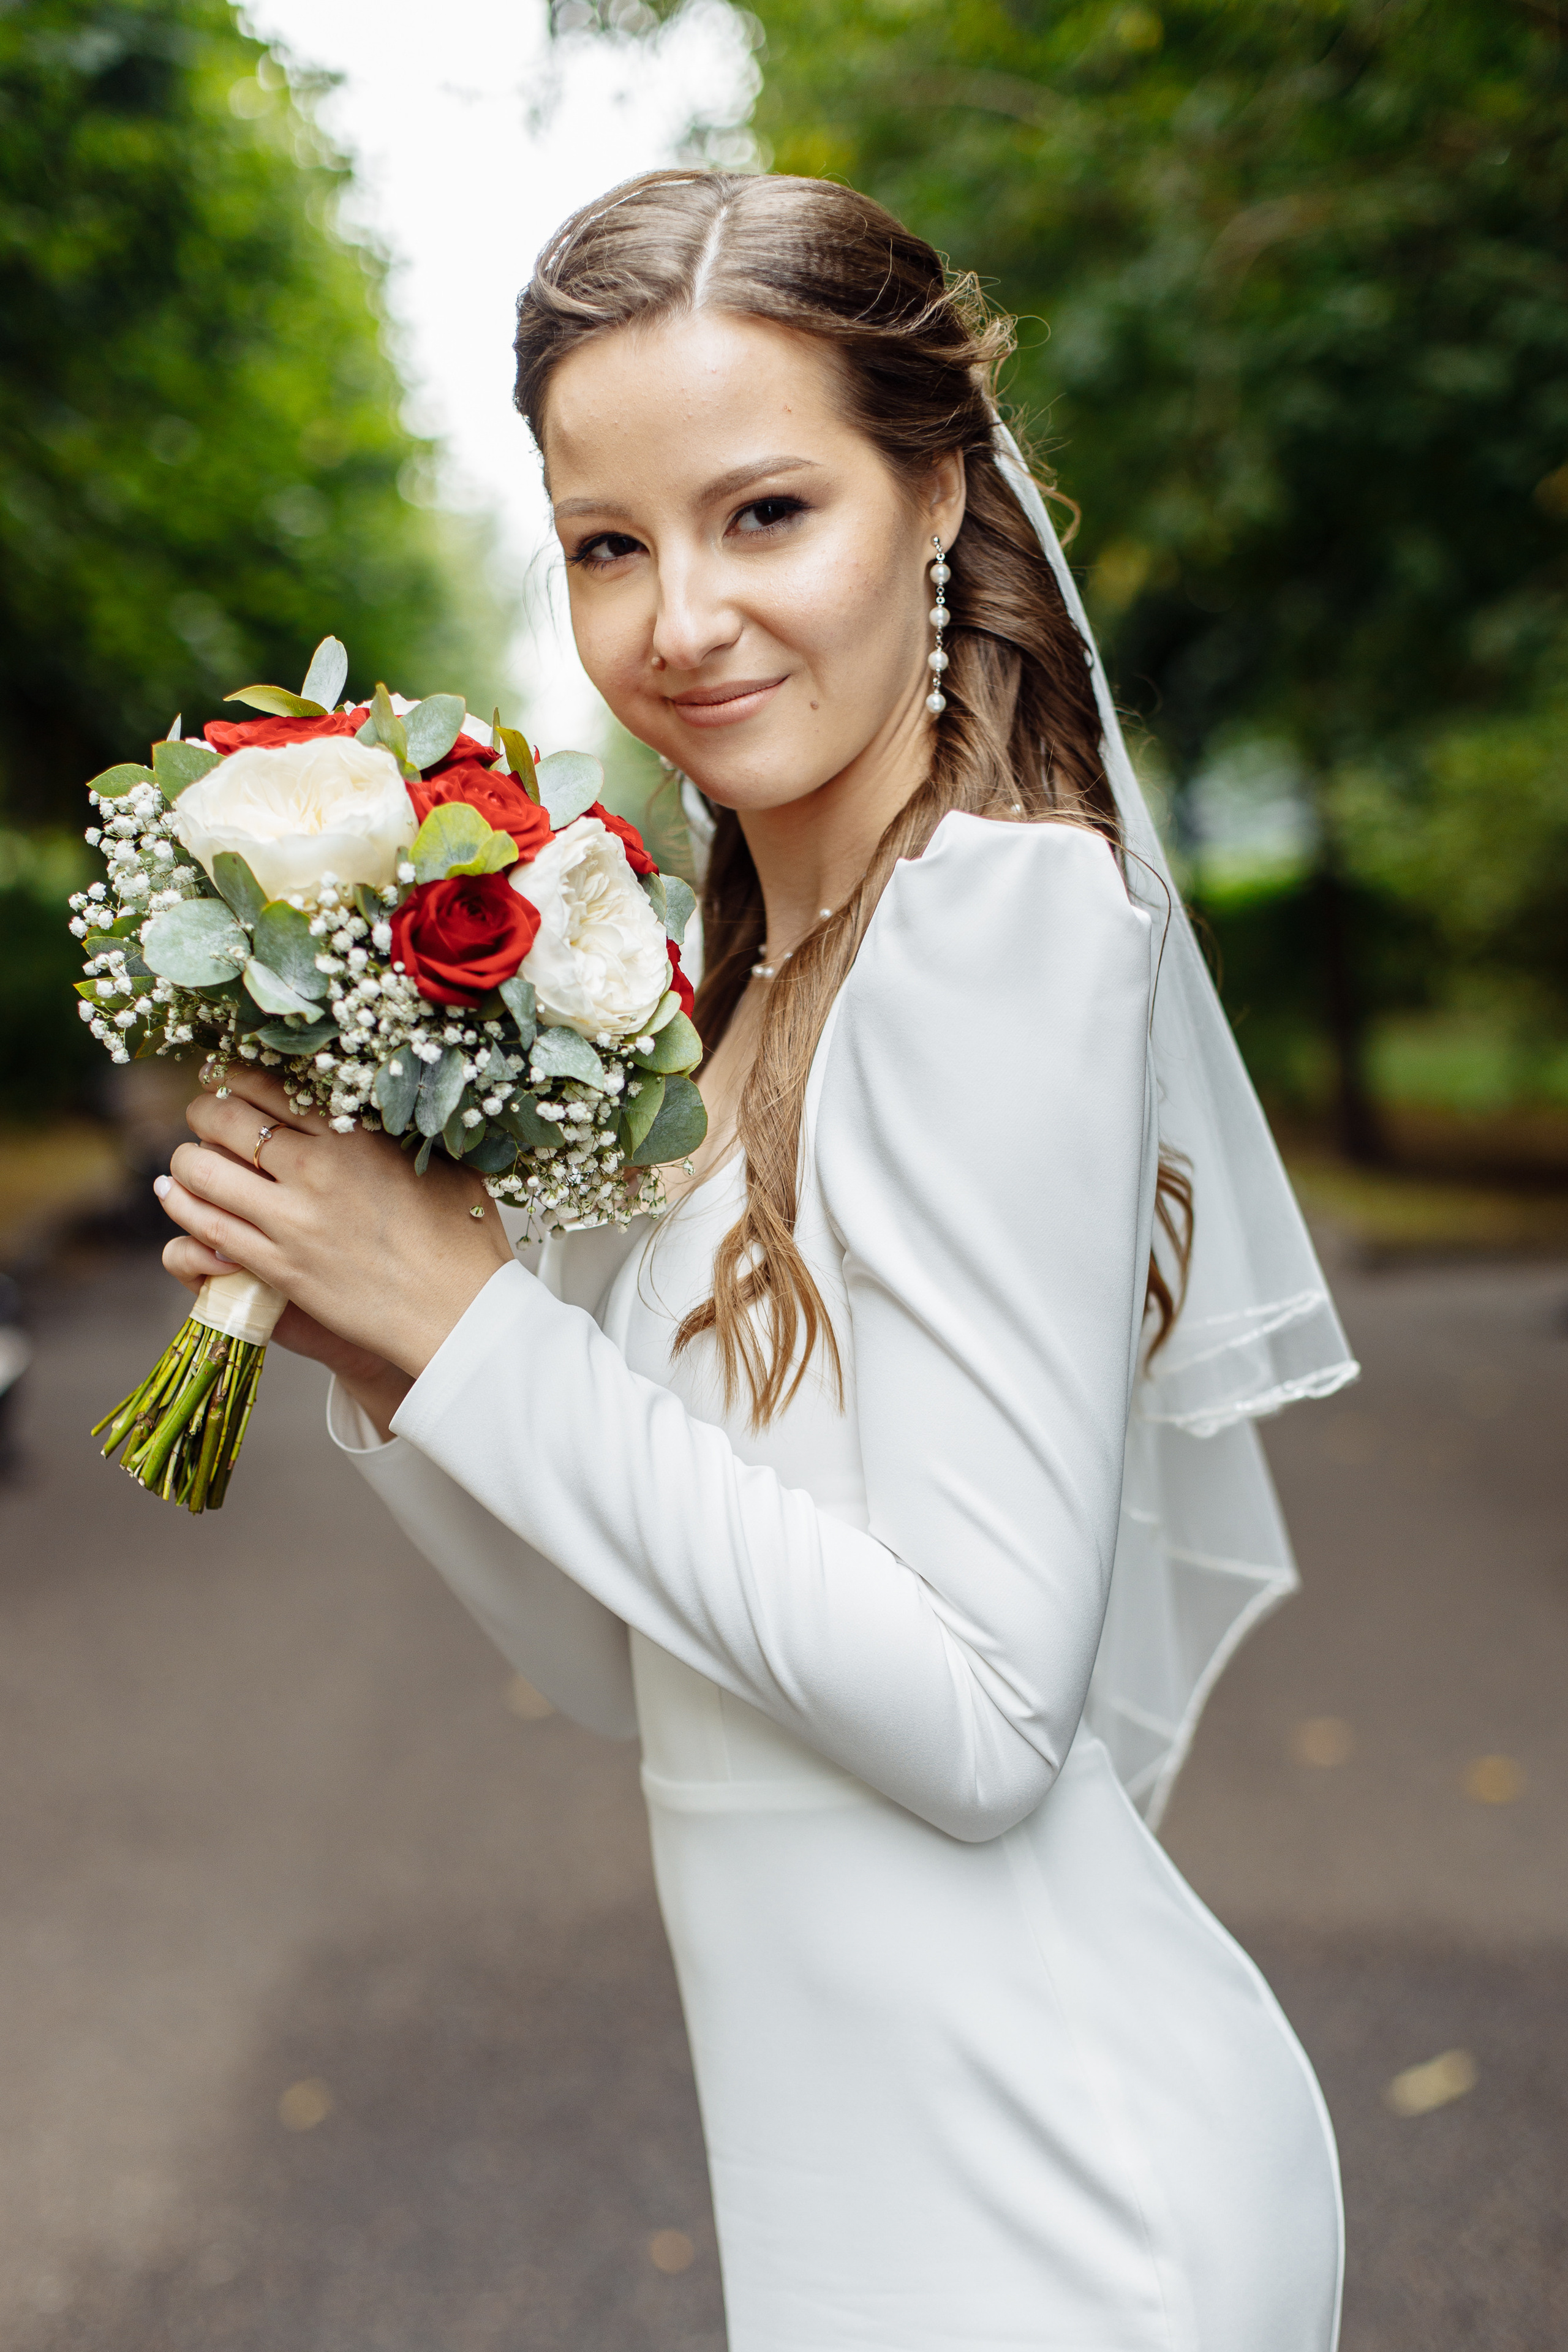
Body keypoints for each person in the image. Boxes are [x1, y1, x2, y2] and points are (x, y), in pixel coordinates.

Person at [154, 170, 1358, 2351]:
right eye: (609, 545)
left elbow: (984, 1723)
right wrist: (387, 1350)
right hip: (856, 2185)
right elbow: (654, 1674)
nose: (681, 619)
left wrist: (475, 1324)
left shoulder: (997, 921)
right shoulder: (743, 1000)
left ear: (937, 499)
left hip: (1062, 2199)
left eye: (765, 514)